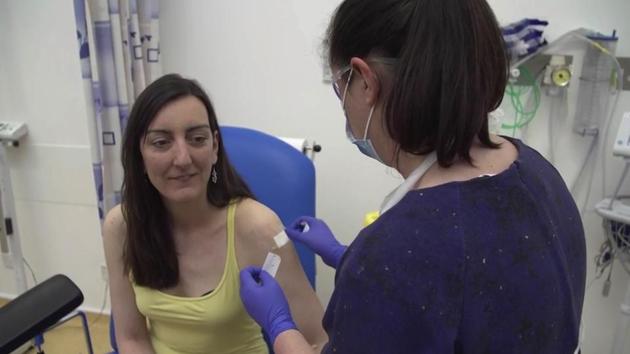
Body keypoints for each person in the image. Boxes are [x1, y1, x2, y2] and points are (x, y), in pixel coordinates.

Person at [238, 0, 586, 353]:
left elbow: (431, 274)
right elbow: (480, 295)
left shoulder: (393, 257)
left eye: (340, 87)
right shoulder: (540, 173)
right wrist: (347, 257)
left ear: (365, 81)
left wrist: (279, 325)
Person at [102, 74, 327, 354]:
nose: (183, 159)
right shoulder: (121, 226)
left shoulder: (257, 228)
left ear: (214, 147)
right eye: (161, 143)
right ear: (140, 154)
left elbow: (319, 339)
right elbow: (132, 338)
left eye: (197, 139)